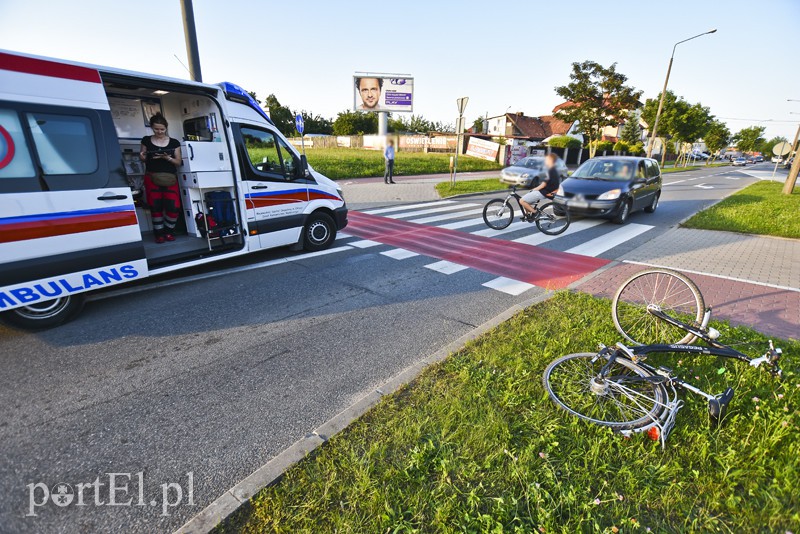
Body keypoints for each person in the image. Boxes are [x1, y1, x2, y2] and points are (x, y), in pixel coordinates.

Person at [139, 113, 182, 243]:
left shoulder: (174, 142)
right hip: (151, 177)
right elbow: (143, 158)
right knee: (155, 207)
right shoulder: (146, 140)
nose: (159, 131)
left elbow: (178, 162)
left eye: (162, 129)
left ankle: (169, 231)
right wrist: (142, 156)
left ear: (166, 128)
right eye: (156, 129)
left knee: (173, 207)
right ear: (152, 127)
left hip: (170, 178)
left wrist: (167, 158)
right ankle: (159, 234)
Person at [520, 153, 560, 220]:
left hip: (544, 192)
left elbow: (543, 185)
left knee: (522, 201)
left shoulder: (550, 170)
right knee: (526, 200)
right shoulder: (554, 170)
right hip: (548, 191)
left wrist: (534, 189)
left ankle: (536, 213)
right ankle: (528, 215)